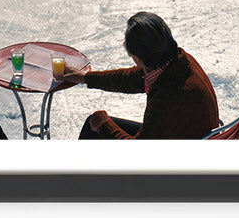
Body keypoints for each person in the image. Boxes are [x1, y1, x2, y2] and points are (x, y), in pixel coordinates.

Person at [61, 12, 220, 140]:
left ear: (138, 58)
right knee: (94, 124)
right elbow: (133, 78)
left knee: (94, 127)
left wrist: (103, 124)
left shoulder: (167, 96)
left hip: (181, 163)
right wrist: (84, 77)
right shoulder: (178, 63)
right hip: (187, 137)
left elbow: (139, 154)